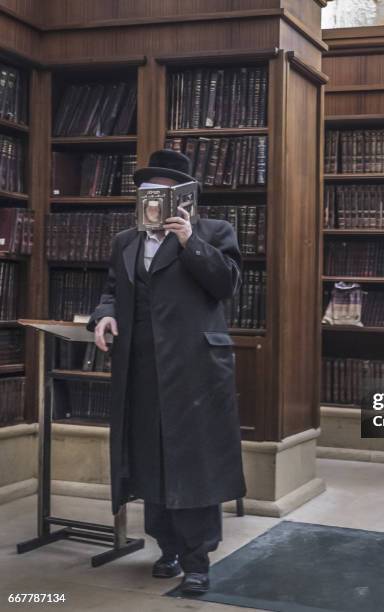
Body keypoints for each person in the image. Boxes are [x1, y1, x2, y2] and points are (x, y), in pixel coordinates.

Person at [87, 149, 246, 594]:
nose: (151, 202)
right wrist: (103, 315)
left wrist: (189, 242)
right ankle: (167, 547)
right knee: (150, 455)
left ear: (182, 199)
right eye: (145, 194)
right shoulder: (125, 241)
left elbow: (227, 285)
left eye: (161, 194)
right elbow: (112, 291)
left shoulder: (214, 232)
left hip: (194, 367)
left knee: (193, 460)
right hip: (141, 368)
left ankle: (198, 560)